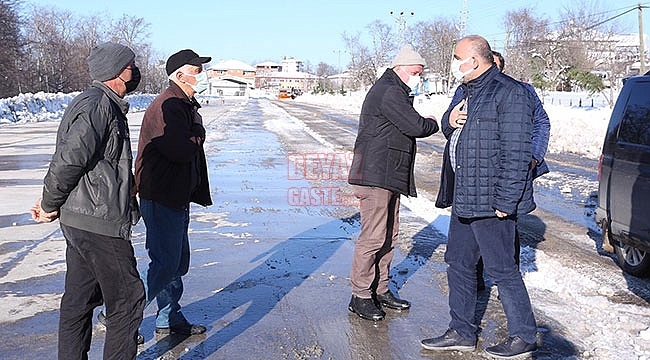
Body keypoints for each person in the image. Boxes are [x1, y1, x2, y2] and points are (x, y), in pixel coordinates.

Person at [421, 35, 538, 358]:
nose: (453, 62)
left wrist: (506, 202)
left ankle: (524, 336)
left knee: (502, 269)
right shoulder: (466, 91)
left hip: (491, 200)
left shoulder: (510, 93)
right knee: (458, 263)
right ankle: (461, 330)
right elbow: (453, 129)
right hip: (464, 194)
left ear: (474, 60)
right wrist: (449, 121)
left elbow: (516, 153)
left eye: (457, 56)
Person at [30, 42, 145, 359]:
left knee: (80, 299)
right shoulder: (98, 105)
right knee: (128, 299)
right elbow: (69, 160)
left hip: (84, 217)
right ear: (117, 71)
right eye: (131, 65)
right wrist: (49, 203)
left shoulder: (102, 104)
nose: (135, 71)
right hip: (97, 221)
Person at [436, 50, 551, 291]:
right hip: (466, 177)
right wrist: (448, 120)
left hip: (502, 175)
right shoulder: (463, 91)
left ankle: (505, 286)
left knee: (504, 239)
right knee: (466, 245)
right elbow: (449, 126)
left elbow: (541, 123)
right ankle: (475, 281)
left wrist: (533, 156)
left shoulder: (518, 91)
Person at [347, 45, 439, 321]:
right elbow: (416, 126)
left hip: (388, 174)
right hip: (375, 175)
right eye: (415, 73)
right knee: (373, 237)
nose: (418, 78)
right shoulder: (389, 90)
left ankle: (381, 288)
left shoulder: (397, 89)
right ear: (401, 68)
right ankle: (360, 295)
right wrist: (433, 121)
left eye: (420, 74)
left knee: (389, 235)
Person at [134, 49, 213, 336]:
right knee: (165, 264)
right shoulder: (166, 105)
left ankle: (169, 317)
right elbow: (181, 149)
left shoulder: (183, 104)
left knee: (177, 262)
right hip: (162, 195)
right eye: (197, 71)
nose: (201, 76)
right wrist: (200, 132)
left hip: (176, 195)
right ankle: (121, 314)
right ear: (180, 75)